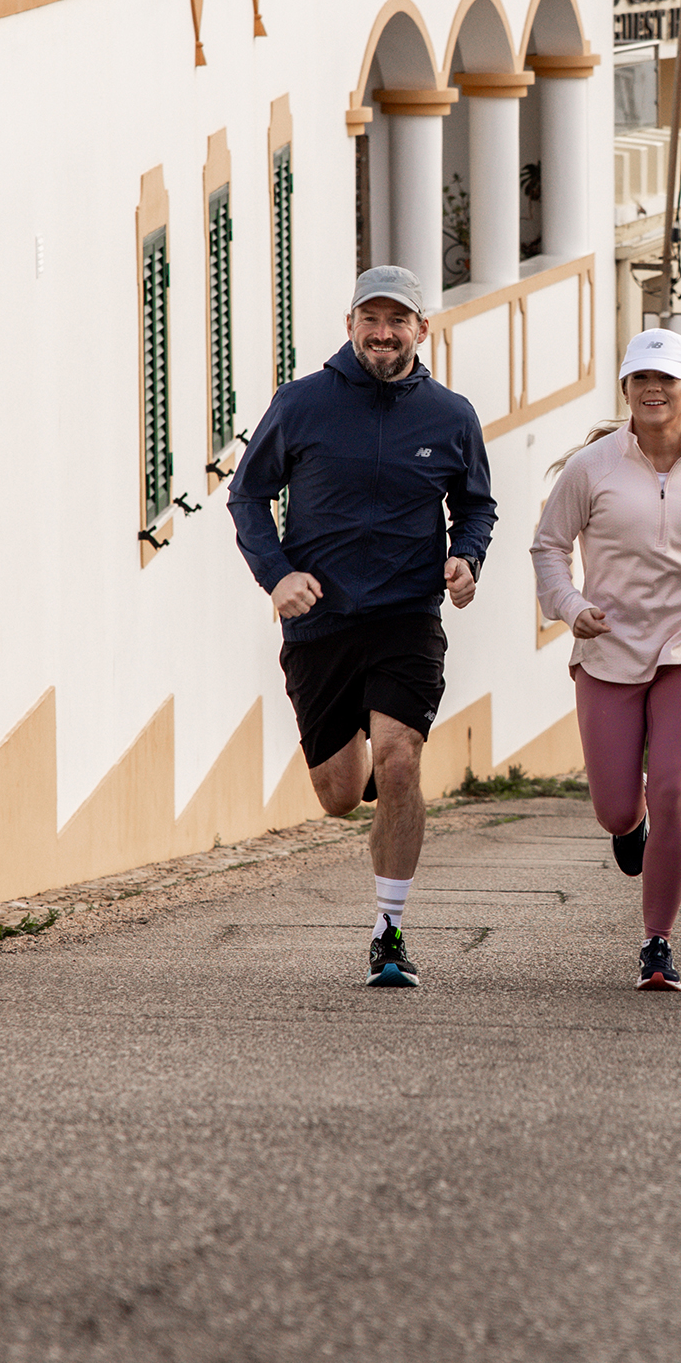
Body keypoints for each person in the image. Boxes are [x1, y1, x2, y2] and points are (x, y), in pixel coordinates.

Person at [229, 266, 493, 989]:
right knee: (341, 794)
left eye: (397, 320)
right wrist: (277, 576)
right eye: (370, 320)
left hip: (408, 615)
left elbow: (476, 506)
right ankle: (373, 773)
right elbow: (248, 495)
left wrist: (466, 558)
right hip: (321, 623)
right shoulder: (302, 403)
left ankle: (389, 932)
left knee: (401, 759)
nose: (383, 333)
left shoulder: (451, 415)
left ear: (421, 329)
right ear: (350, 326)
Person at [529, 329, 681, 992]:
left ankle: (657, 943)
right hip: (607, 649)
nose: (655, 390)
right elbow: (548, 547)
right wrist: (569, 603)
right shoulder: (593, 468)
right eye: (642, 380)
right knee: (617, 809)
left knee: (674, 792)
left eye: (667, 380)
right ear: (627, 391)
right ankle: (627, 824)